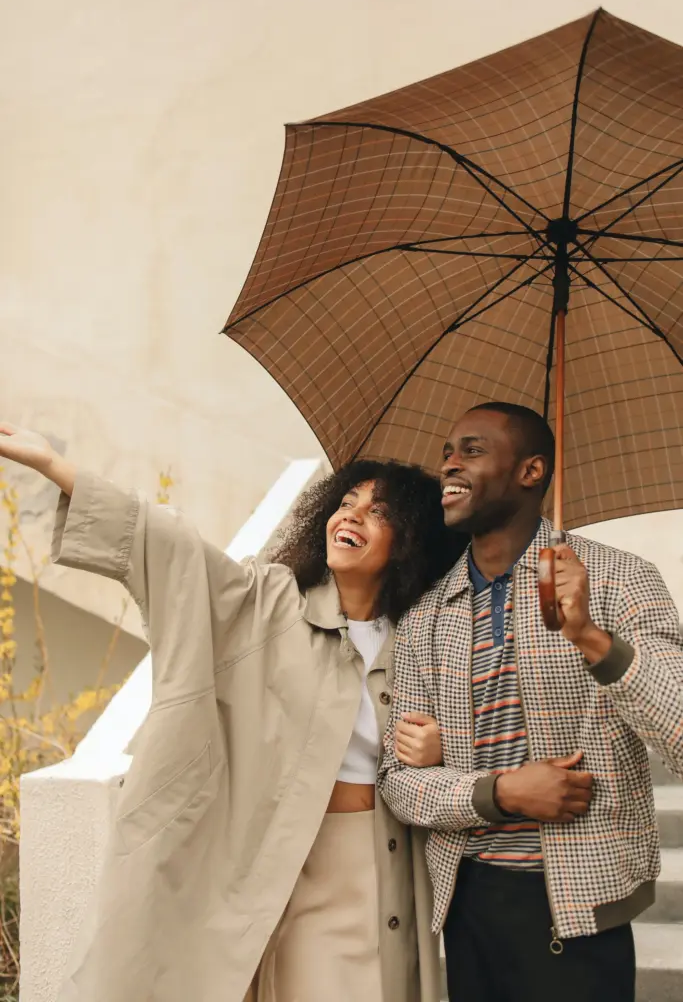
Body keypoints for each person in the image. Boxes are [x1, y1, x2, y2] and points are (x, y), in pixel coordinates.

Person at [0, 421, 466, 1002]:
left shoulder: (425, 634)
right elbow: (172, 549)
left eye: (377, 512)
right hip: (284, 852)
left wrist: (439, 749)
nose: (350, 517)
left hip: (382, 861)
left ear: (410, 539)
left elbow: (474, 735)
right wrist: (54, 466)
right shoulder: (266, 602)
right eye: (346, 503)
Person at [378, 401, 683, 1002]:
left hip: (581, 905)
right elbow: (399, 782)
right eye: (446, 452)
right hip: (468, 909)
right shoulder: (425, 617)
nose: (449, 466)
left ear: (531, 471)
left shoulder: (622, 579)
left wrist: (590, 636)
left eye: (472, 450)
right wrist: (502, 791)